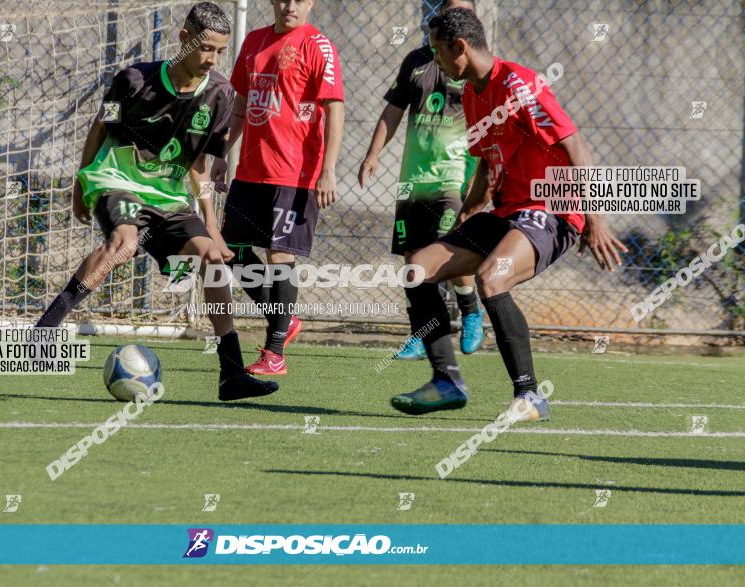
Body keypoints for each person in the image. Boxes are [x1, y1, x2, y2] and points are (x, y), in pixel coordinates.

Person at [35, 2, 278, 401]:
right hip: (116, 179)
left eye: (220, 51)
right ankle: (43, 334)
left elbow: (199, 164)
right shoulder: (133, 80)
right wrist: (81, 184)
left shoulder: (219, 95)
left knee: (213, 261)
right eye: (206, 48)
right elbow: (100, 127)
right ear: (184, 39)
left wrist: (213, 230)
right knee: (124, 244)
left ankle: (231, 374)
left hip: (169, 195)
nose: (212, 59)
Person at [391, 8, 626, 420]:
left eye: (437, 51)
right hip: (507, 211)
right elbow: (485, 163)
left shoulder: (519, 83)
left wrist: (595, 218)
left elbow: (574, 146)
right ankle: (447, 380)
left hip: (551, 210)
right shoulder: (472, 94)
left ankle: (530, 396)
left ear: (459, 47)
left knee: (491, 277)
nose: (435, 60)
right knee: (416, 269)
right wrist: (467, 212)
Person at [219, 0, 344, 376]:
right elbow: (241, 101)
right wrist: (223, 151)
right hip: (250, 171)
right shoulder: (254, 42)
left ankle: (275, 353)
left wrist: (329, 169)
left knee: (279, 258)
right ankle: (284, 321)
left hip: (293, 175)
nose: (290, 6)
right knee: (230, 251)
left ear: (311, 4)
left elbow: (335, 106)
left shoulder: (318, 45)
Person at [359, 0, 484, 362]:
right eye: (449, 11)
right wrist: (373, 153)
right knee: (413, 260)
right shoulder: (417, 60)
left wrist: (478, 178)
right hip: (412, 178)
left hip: (453, 177)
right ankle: (420, 333)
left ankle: (470, 309)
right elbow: (394, 109)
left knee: (447, 252)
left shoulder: (471, 67)